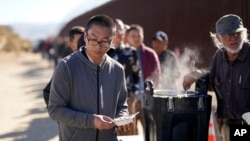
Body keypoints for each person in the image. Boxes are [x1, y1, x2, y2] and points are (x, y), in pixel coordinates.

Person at [48, 14, 131, 141]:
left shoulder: (117, 69)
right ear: (85, 36)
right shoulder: (66, 66)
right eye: (93, 39)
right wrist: (91, 121)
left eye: (104, 41)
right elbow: (55, 110)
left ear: (112, 39)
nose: (98, 46)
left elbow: (122, 105)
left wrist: (122, 117)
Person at [182, 14, 250, 141]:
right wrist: (197, 75)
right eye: (226, 35)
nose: (233, 38)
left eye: (237, 33)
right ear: (219, 39)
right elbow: (213, 82)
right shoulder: (219, 57)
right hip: (226, 124)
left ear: (244, 34)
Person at [107, 18, 139, 135]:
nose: (119, 32)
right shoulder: (103, 53)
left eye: (121, 29)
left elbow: (137, 74)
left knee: (128, 131)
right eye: (116, 29)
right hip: (107, 101)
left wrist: (133, 92)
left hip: (128, 99)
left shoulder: (131, 52)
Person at [43, 26, 85, 107]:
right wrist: (62, 116)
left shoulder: (96, 62)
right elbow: (48, 93)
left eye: (85, 40)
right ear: (70, 44)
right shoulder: (66, 65)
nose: (83, 44)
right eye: (79, 41)